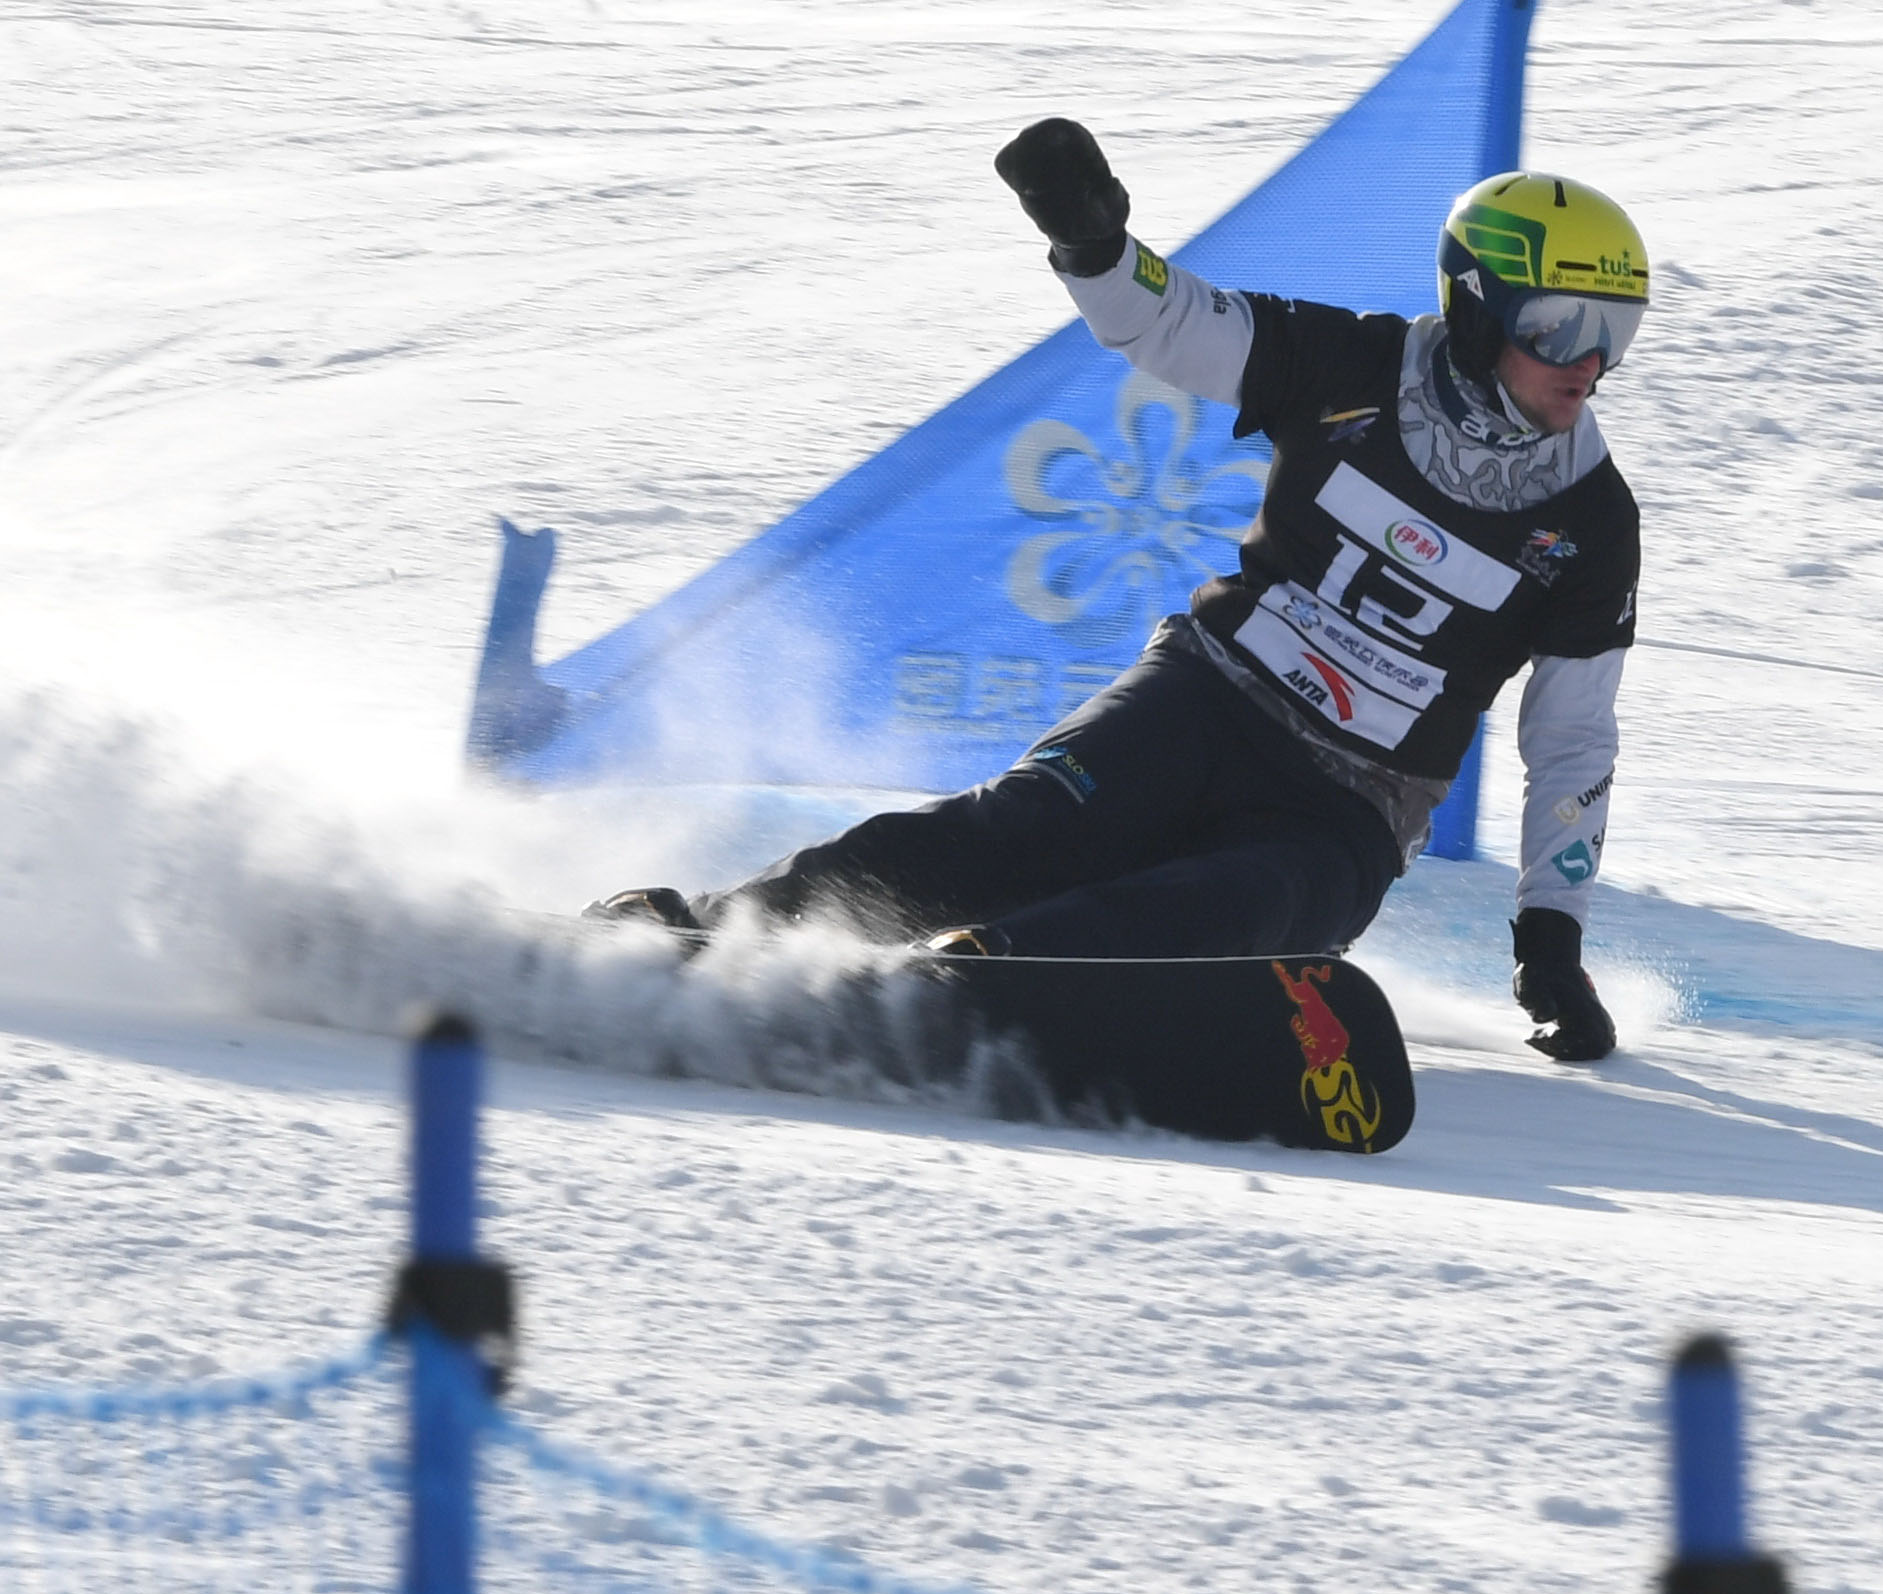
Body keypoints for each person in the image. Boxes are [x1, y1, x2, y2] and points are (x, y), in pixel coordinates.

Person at [596, 120, 1647, 1062]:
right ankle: (721, 930)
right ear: (1473, 307)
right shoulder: (1352, 366)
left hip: (1349, 807)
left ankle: (975, 977)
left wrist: (1548, 938)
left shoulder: (1591, 523)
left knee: (1232, 903)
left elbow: (1571, 741)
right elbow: (1173, 325)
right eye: (1559, 327)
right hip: (1203, 698)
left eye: (1614, 334)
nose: (1586, 365)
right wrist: (1094, 248)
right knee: (1019, 828)